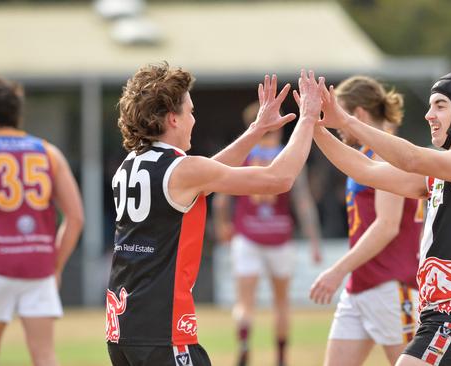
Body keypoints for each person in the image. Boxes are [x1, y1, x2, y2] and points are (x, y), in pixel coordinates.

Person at [106, 63, 322, 366]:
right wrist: (308, 119)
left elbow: (208, 174)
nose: (194, 119)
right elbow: (279, 179)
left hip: (121, 329)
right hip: (162, 330)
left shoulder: (131, 164)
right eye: (190, 112)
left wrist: (256, 130)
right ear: (173, 119)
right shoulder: (184, 170)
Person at [311, 71, 451, 366]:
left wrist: (347, 120)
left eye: (440, 105)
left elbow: (411, 158)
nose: (428, 115)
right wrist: (312, 125)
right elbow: (366, 170)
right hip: (438, 316)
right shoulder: (439, 175)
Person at [308, 76, 422, 366]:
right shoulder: (366, 154)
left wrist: (337, 270)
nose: (336, 124)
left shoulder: (388, 154)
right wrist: (313, 125)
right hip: (361, 285)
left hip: (391, 286)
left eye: (338, 113)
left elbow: (387, 225)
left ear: (357, 114)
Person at [212, 101, 322, 366]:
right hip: (280, 237)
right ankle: (282, 357)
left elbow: (220, 200)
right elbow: (303, 201)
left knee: (245, 302)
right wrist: (314, 240)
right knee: (282, 302)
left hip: (247, 235)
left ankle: (244, 342)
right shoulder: (288, 156)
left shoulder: (243, 155)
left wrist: (222, 226)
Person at [0, 75, 84, 366]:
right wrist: (55, 266)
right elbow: (76, 217)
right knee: (44, 355)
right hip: (39, 266)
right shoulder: (48, 152)